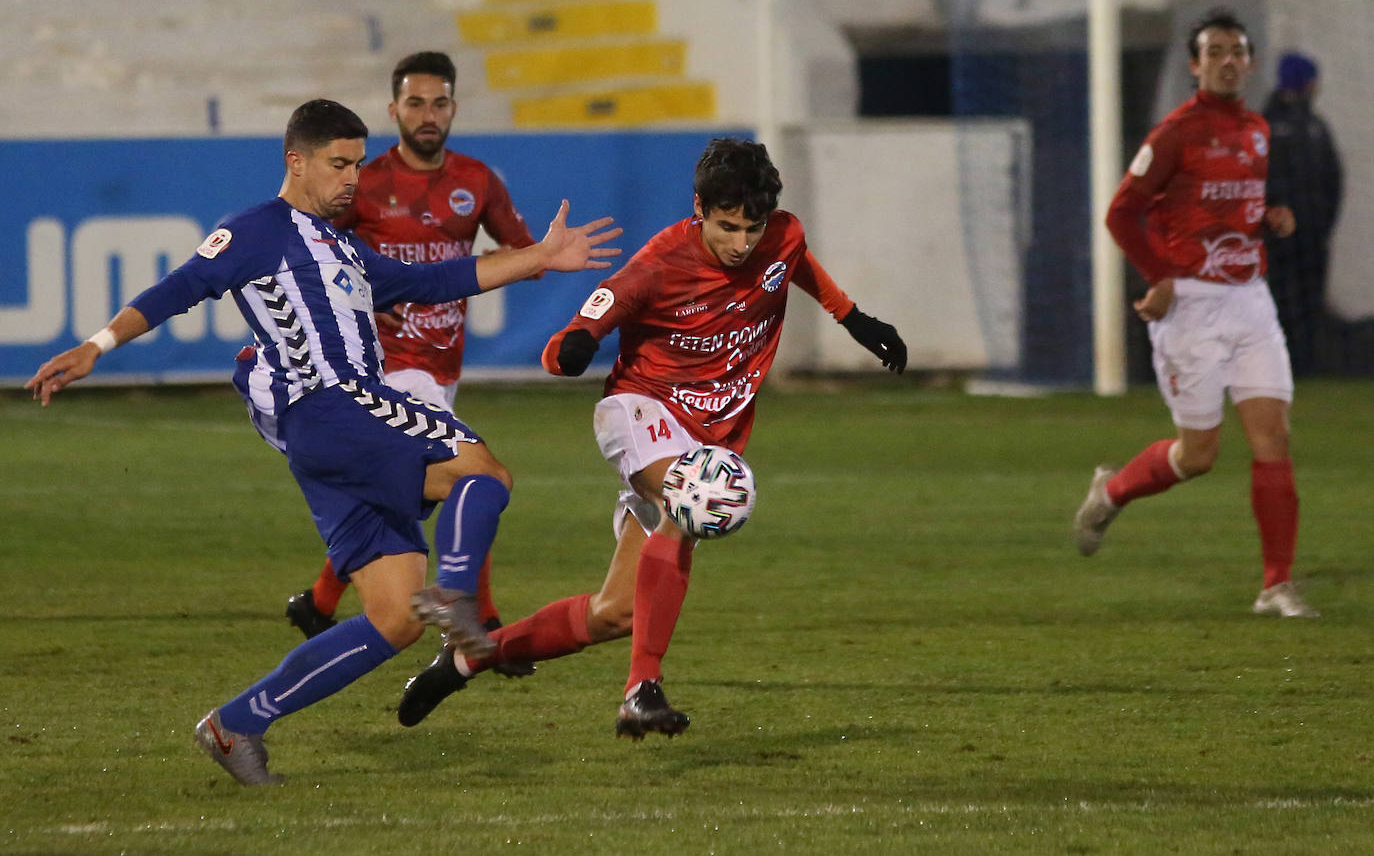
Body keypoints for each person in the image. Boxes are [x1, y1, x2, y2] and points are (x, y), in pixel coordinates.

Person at [25, 99, 621, 785]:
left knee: (394, 618)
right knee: (483, 475)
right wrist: (98, 345)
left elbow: (436, 281)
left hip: (329, 440)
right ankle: (456, 595)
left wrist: (540, 257)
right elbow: (180, 287)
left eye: (358, 165)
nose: (351, 179)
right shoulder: (258, 230)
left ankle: (236, 723)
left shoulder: (343, 249)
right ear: (296, 161)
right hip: (337, 406)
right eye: (338, 165)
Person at [395, 137, 908, 738]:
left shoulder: (781, 236)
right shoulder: (660, 263)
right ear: (699, 207)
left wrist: (855, 319)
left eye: (752, 228)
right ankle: (642, 689)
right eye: (726, 227)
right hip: (639, 409)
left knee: (615, 613)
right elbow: (568, 342)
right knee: (696, 497)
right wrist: (576, 347)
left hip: (704, 436)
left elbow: (795, 263)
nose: (741, 243)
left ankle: (468, 659)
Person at [283, 53, 538, 683]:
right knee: (467, 477)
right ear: (394, 110)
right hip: (388, 366)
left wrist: (539, 259)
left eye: (440, 102)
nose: (429, 114)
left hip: (442, 360)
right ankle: (480, 623)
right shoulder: (363, 183)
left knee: (404, 495)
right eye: (415, 103)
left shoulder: (477, 180)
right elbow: (311, 245)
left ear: (453, 108)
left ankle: (319, 602)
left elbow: (518, 246)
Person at [1077, 9, 1318, 618]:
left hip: (1249, 300)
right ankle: (1112, 491)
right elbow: (1121, 213)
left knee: (1273, 438)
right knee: (1199, 455)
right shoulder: (1175, 133)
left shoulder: (1258, 130)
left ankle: (1276, 585)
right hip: (1190, 306)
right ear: (1195, 65)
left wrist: (1269, 219)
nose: (1228, 60)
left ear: (1250, 61)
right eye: (1215, 52)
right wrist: (1159, 275)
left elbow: (1227, 208)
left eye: (1237, 50)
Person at [1261, 51, 1343, 377]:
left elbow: (1333, 179)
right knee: (1283, 301)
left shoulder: (1313, 126)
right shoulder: (1275, 126)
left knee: (1306, 300)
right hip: (1281, 237)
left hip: (1310, 235)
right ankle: (1284, 367)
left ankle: (1305, 367)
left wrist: (1322, 225)